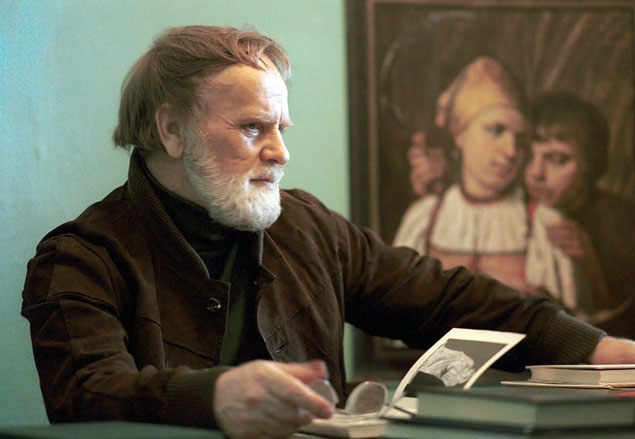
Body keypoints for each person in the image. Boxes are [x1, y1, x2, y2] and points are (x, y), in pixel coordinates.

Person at [20, 26, 635, 439]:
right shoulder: (79, 257)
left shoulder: (309, 225)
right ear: (172, 130)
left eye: (280, 128)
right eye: (253, 128)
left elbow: (447, 298)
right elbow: (87, 396)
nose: (280, 152)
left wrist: (594, 348)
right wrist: (213, 398)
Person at [393, 57, 530, 291]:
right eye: (496, 130)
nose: (511, 150)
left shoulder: (540, 222)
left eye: (520, 137)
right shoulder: (425, 218)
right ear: (460, 135)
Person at [524, 92, 635, 338]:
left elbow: (621, 318)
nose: (536, 172)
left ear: (589, 164)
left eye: (557, 159)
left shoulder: (619, 219)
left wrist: (590, 263)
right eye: (530, 155)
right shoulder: (516, 205)